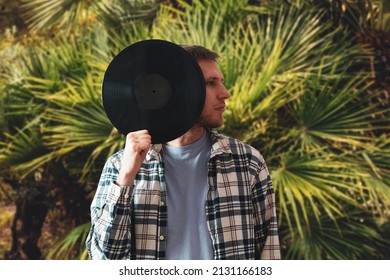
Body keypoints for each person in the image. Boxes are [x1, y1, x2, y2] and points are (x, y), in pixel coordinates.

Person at [85, 44, 281, 260]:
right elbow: (103, 258)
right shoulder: (119, 166)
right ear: (178, 90)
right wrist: (125, 179)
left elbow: (268, 252)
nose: (225, 94)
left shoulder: (248, 162)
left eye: (221, 83)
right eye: (210, 83)